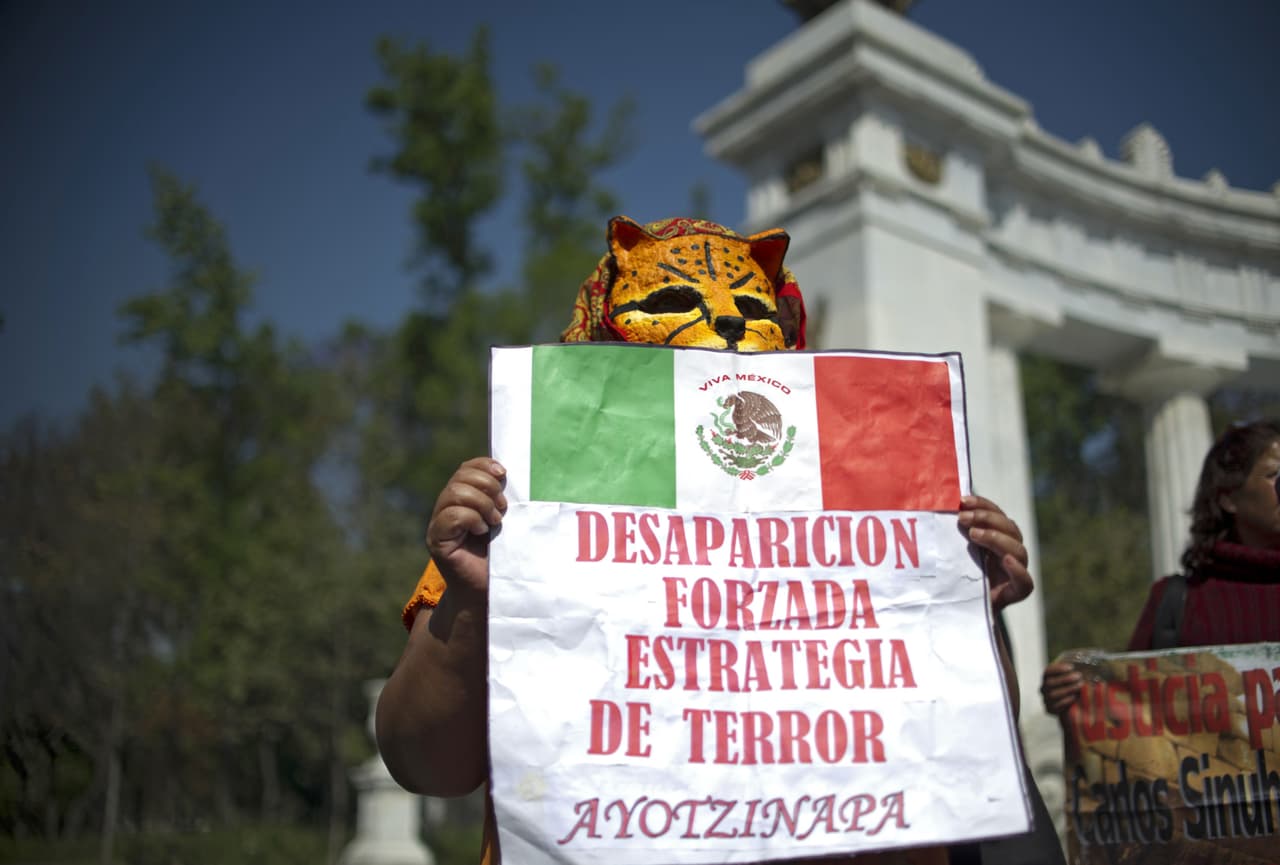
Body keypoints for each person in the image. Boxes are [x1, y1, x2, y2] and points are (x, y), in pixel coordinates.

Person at [377, 216, 1038, 865]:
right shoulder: (526, 496)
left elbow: (967, 767)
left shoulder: (880, 484)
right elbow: (423, 763)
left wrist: (968, 618)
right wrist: (470, 599)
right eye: (673, 300)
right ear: (607, 325)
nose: (724, 323)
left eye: (752, 306)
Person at [1039, 417, 1280, 716]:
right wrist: (1073, 693)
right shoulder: (1177, 602)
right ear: (1229, 498)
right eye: (1274, 475)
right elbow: (1132, 716)